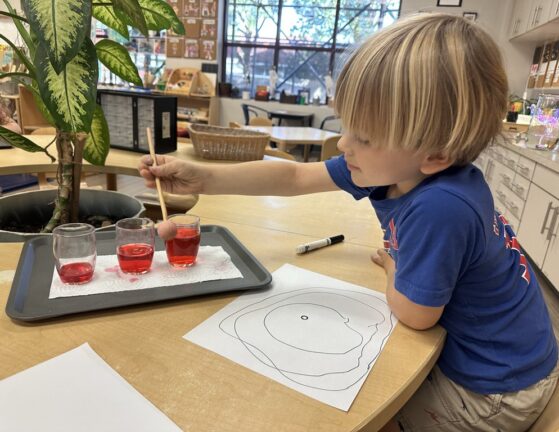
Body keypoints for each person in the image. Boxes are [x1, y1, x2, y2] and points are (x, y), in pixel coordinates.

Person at [139, 13, 558, 431]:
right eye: (348, 127)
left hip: (493, 390)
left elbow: (417, 314)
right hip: (513, 361)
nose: (344, 144)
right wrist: (204, 179)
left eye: (365, 137)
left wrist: (395, 266)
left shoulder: (440, 206)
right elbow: (295, 176)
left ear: (434, 155)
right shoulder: (401, 169)